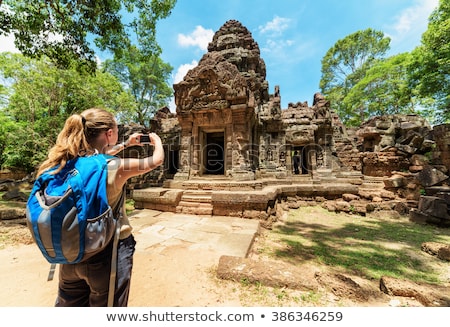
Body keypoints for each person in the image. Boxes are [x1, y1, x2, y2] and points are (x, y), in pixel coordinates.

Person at [35, 107, 164, 307]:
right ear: (109, 134)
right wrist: (157, 141)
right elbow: (156, 161)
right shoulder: (114, 167)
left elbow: (97, 158)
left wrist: (125, 144)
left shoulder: (62, 164)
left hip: (70, 255)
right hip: (107, 254)